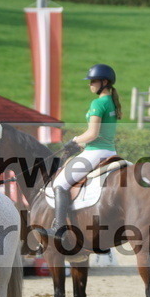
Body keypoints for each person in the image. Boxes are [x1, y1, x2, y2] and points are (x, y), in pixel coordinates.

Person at [45, 64, 122, 238]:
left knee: (59, 183)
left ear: (104, 82)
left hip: (95, 152)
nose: (90, 85)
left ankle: (59, 227)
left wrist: (74, 141)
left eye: (93, 81)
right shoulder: (111, 101)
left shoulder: (98, 102)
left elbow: (93, 133)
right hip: (110, 152)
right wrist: (81, 144)